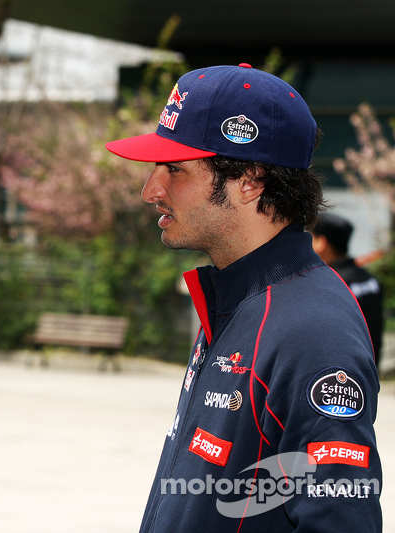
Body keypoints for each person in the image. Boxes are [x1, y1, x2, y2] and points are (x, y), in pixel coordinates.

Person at [106, 64, 381, 532]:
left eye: (174, 169)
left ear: (250, 181)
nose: (150, 190)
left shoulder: (312, 330)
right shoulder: (237, 297)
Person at [311, 212, 384, 366]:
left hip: (342, 371)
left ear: (321, 242)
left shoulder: (331, 282)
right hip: (369, 367)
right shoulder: (367, 277)